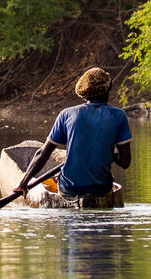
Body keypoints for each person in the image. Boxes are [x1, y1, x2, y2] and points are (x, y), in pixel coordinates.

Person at [16, 67, 131, 200]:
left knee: (61, 177)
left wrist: (24, 183)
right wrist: (112, 153)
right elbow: (125, 162)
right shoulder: (118, 115)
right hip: (102, 188)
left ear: (84, 93)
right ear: (109, 89)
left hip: (70, 188)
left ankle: (61, 179)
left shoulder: (67, 114)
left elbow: (43, 153)